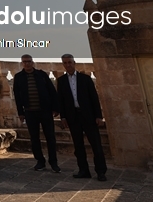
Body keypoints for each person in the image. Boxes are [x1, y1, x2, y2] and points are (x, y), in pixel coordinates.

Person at [56, 53, 107, 181]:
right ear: (63, 65)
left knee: (96, 145)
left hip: (88, 116)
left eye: (70, 62)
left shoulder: (85, 79)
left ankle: (101, 171)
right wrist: (63, 117)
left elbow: (94, 98)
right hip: (73, 117)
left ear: (74, 63)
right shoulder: (61, 81)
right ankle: (83, 170)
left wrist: (98, 116)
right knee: (78, 146)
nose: (68, 65)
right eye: (65, 63)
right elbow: (61, 100)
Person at [12, 54, 60, 172]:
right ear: (22, 63)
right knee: (34, 138)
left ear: (32, 62)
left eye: (29, 61)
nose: (27, 63)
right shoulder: (18, 77)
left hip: (45, 111)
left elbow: (52, 91)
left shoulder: (42, 75)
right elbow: (17, 96)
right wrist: (21, 113)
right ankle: (40, 161)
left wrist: (55, 108)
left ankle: (53, 162)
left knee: (50, 137)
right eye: (24, 62)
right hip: (30, 112)